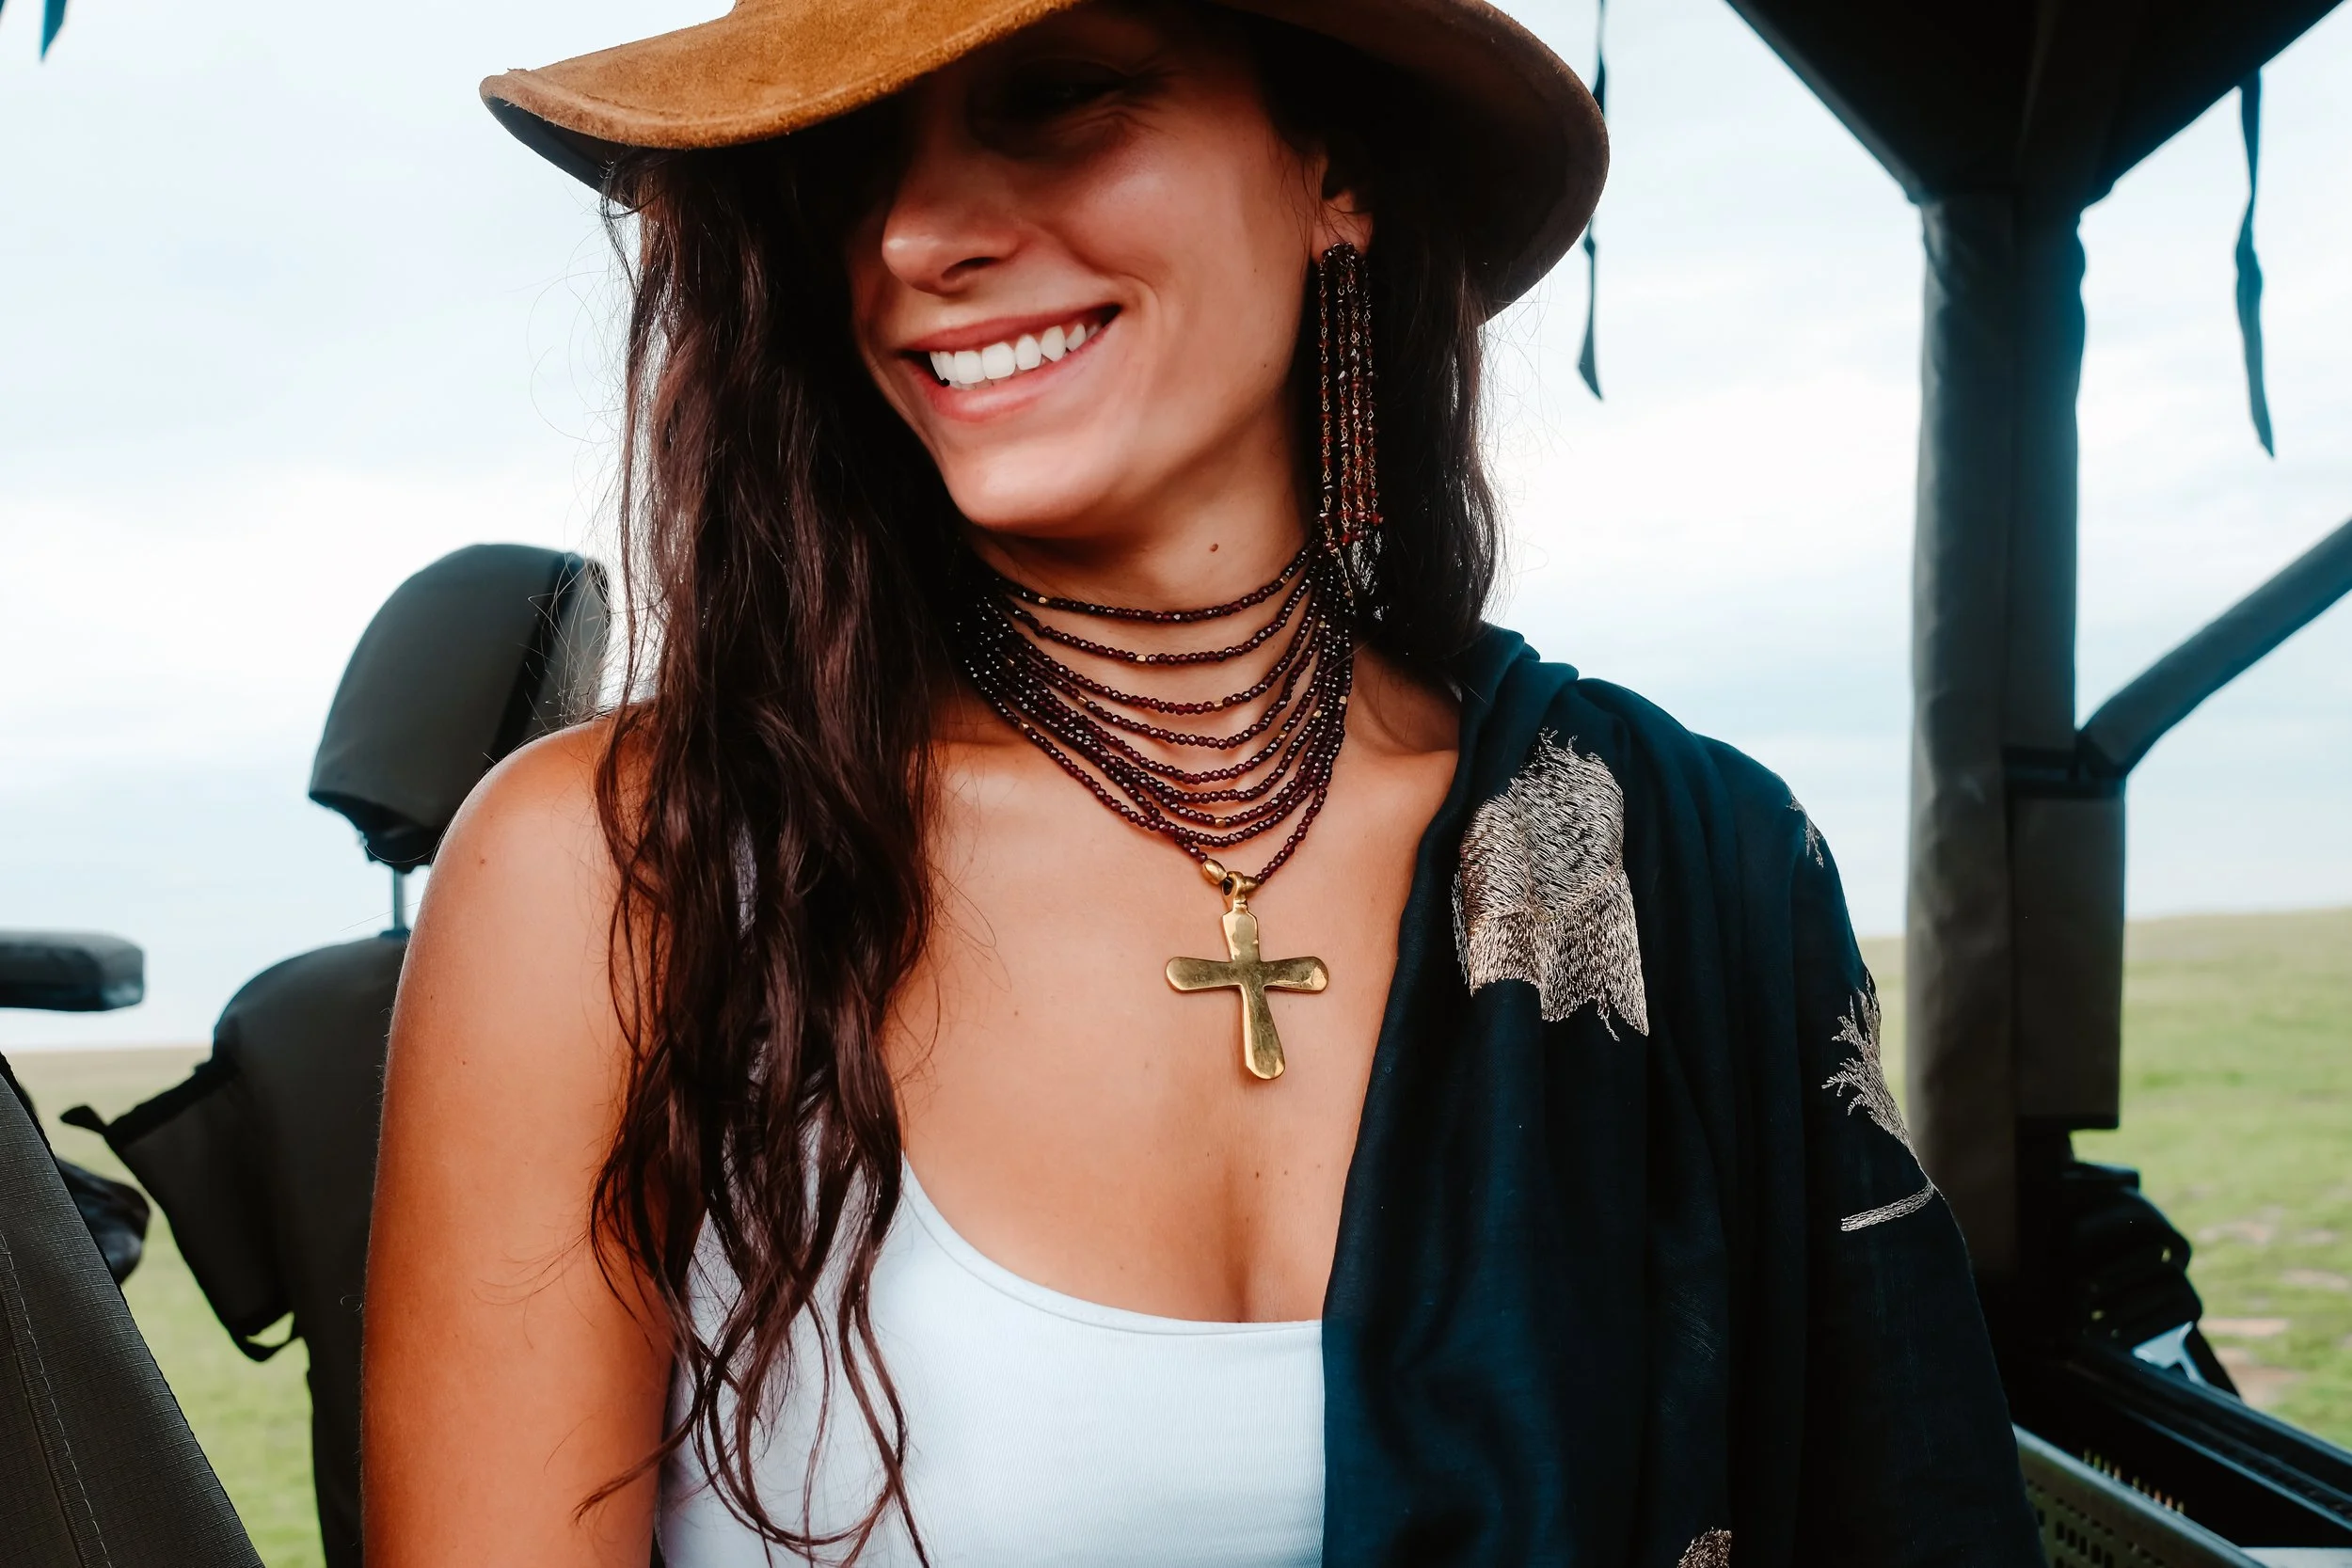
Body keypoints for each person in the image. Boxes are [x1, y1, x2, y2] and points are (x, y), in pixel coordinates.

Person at [364, 3, 2044, 1564]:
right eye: (849, 154)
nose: (911, 236)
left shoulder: (1693, 868)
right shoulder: (626, 872)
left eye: (1059, 99)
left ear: (1341, 169)